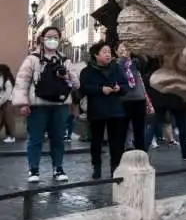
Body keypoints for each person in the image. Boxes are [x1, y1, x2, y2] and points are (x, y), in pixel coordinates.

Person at [12, 26, 77, 183]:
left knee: (58, 139)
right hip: (38, 105)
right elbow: (22, 81)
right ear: (42, 38)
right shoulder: (32, 59)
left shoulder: (65, 60)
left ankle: (58, 168)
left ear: (60, 40)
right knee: (35, 138)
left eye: (56, 37)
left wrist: (66, 74)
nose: (52, 40)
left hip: (60, 105)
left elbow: (75, 83)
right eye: (49, 36)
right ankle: (33, 170)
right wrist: (23, 103)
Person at [80, 42, 129, 179]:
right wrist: (100, 89)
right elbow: (84, 88)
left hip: (115, 110)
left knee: (117, 142)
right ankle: (97, 166)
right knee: (96, 140)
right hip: (97, 110)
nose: (108, 54)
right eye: (104, 52)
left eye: (109, 52)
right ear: (96, 55)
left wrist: (119, 89)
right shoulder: (87, 71)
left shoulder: (117, 68)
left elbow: (126, 86)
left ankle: (116, 167)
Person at [116, 42, 150, 151]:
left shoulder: (135, 62)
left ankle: (142, 155)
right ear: (116, 51)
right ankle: (120, 157)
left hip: (138, 100)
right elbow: (119, 75)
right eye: (121, 47)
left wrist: (135, 49)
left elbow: (145, 62)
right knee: (121, 131)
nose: (124, 49)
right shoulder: (115, 64)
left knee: (139, 131)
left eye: (126, 47)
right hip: (123, 101)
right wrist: (122, 59)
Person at [0, 64, 15, 143]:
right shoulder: (2, 78)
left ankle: (12, 136)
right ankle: (10, 136)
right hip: (2, 101)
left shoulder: (8, 80)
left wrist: (1, 101)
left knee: (9, 120)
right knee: (2, 119)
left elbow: (7, 93)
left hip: (8, 102)